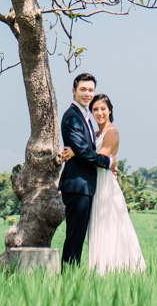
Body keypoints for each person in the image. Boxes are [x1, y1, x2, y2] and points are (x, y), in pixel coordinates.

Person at [83, 93, 146, 273]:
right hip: (95, 184)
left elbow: (100, 157)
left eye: (103, 109)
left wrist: (75, 153)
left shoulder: (112, 132)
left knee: (109, 226)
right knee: (97, 227)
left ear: (110, 110)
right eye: (95, 109)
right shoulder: (95, 134)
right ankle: (100, 269)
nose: (99, 113)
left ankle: (114, 268)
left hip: (106, 186)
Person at [57, 72, 110, 266]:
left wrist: (77, 151)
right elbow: (85, 152)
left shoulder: (85, 116)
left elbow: (82, 149)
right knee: (75, 236)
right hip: (77, 185)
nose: (87, 94)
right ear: (74, 91)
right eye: (83, 90)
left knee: (78, 236)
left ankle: (71, 275)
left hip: (85, 185)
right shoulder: (72, 117)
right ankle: (69, 276)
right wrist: (108, 162)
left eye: (90, 90)